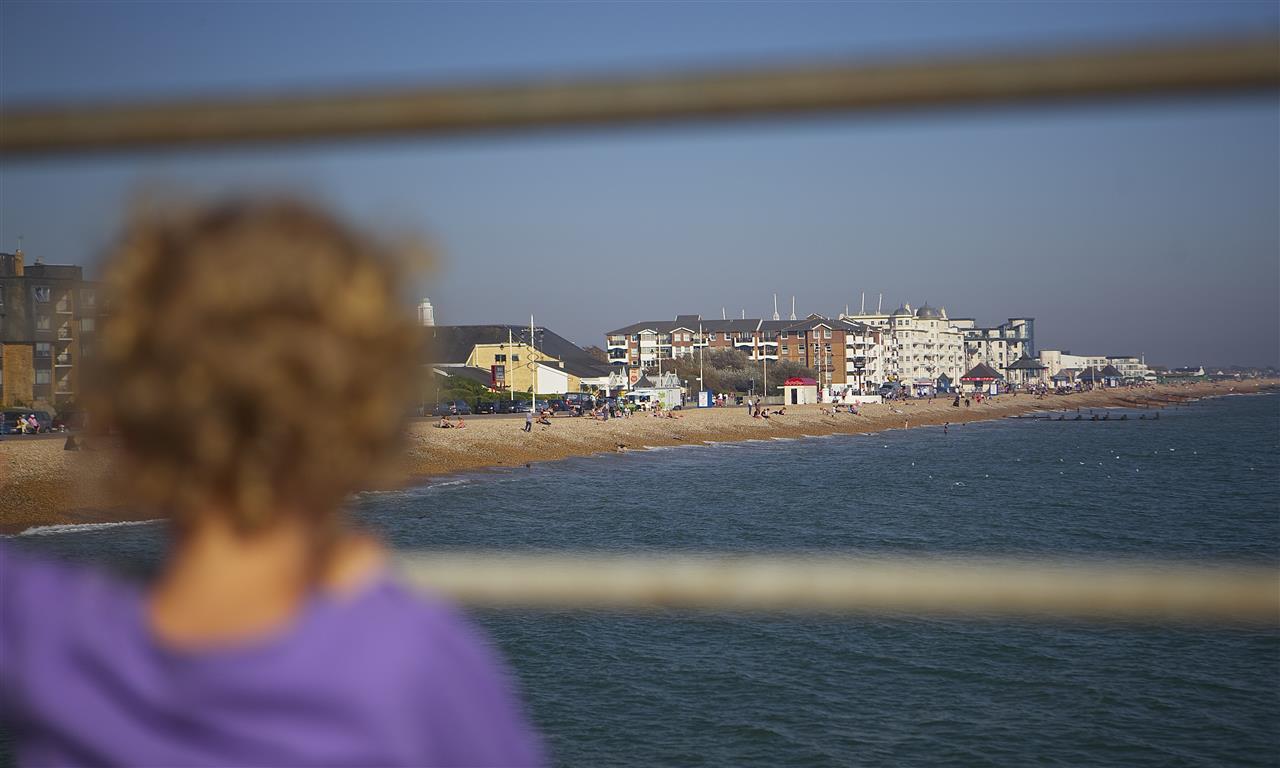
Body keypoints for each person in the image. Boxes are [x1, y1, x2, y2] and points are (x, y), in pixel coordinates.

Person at [0, 201, 541, 767]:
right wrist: (361, 580)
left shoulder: (52, 636)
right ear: (368, 428)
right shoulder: (414, 666)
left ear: (127, 427)